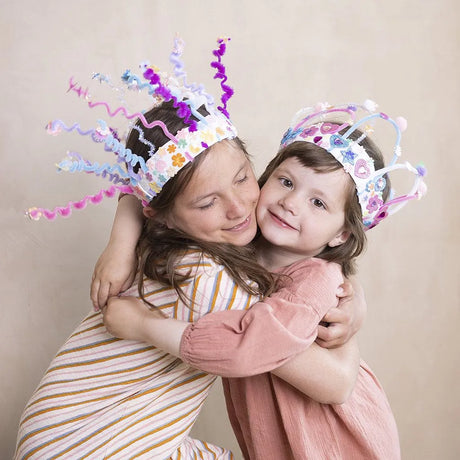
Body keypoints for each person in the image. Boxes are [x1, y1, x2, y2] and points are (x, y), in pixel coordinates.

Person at [16, 39, 362, 460]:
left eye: (242, 178)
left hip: (59, 429)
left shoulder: (174, 237)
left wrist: (121, 238)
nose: (238, 208)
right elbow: (335, 383)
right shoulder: (204, 276)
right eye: (207, 202)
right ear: (163, 215)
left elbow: (138, 195)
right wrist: (343, 319)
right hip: (90, 443)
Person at [101, 102, 427, 459]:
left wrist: (143, 325)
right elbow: (158, 190)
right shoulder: (239, 236)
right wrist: (120, 243)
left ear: (342, 235)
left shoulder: (318, 280)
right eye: (286, 182)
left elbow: (249, 347)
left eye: (318, 203)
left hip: (337, 442)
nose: (291, 203)